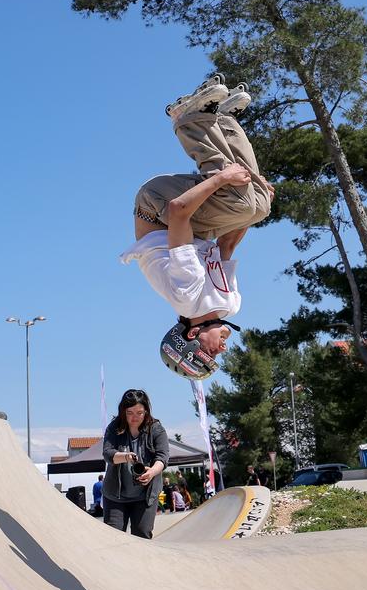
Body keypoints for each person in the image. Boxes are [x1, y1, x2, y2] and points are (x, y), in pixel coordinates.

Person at [120, 74, 274, 380]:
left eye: (213, 351)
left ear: (192, 337)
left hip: (156, 206)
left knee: (240, 200)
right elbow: (227, 245)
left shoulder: (186, 295)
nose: (224, 348)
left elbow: (178, 212)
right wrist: (260, 202)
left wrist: (221, 179)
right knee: (257, 205)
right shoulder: (230, 304)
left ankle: (188, 118)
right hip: (196, 229)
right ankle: (224, 122)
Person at [100, 389, 169, 539]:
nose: (135, 417)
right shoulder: (114, 428)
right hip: (115, 496)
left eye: (139, 412)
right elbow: (107, 453)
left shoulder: (156, 429)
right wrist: (125, 457)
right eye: (130, 413)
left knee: (142, 535)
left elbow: (162, 457)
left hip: (145, 496)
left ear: (146, 411)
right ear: (123, 412)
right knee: (113, 536)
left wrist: (151, 472)